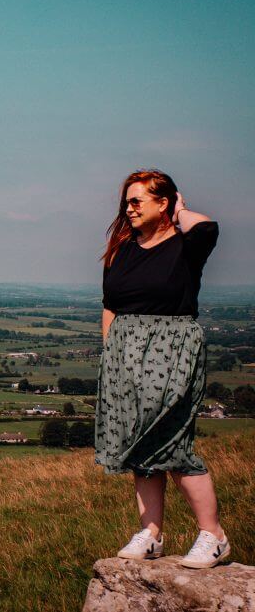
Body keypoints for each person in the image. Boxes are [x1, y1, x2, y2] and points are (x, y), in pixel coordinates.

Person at [96, 168, 229, 569]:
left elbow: (208, 228)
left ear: (164, 202)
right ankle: (151, 533)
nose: (129, 208)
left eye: (138, 200)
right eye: (126, 201)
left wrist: (183, 211)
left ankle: (214, 535)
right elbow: (110, 305)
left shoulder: (187, 246)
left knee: (170, 441)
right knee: (141, 442)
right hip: (124, 355)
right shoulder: (121, 249)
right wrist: (112, 356)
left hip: (172, 350)